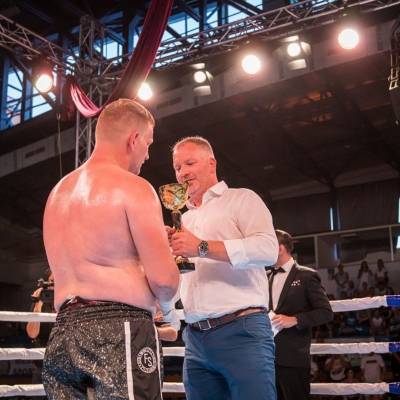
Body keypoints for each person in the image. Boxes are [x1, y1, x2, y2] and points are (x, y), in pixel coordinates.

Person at [42, 99, 180, 400]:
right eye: (148, 143)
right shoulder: (134, 187)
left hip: (63, 333)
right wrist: (168, 295)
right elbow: (164, 281)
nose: (148, 154)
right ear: (134, 139)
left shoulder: (57, 194)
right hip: (119, 330)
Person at [168, 136, 278, 400]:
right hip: (195, 338)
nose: (182, 173)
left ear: (211, 163)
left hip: (242, 329)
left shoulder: (241, 199)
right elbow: (184, 277)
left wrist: (201, 247)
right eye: (177, 167)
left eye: (190, 163)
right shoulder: (183, 218)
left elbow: (267, 249)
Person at [268, 229, 333, 400]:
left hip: (293, 356)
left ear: (280, 248)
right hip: (266, 357)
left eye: (268, 245)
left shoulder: (307, 275)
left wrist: (295, 319)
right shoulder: (264, 276)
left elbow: (326, 312)